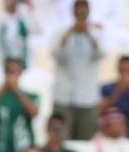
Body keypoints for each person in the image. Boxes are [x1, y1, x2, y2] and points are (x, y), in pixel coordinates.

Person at [52, 0, 105, 141]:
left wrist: (88, 33)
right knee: (61, 140)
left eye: (84, 8)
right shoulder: (61, 31)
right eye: (78, 8)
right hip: (63, 95)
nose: (81, 11)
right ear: (73, 10)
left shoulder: (97, 32)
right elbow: (57, 55)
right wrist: (71, 32)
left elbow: (100, 54)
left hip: (88, 97)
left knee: (86, 141)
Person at [100, 55, 129, 126]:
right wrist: (119, 90)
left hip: (126, 130)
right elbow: (101, 109)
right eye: (124, 70)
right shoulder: (106, 88)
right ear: (119, 69)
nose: (126, 74)